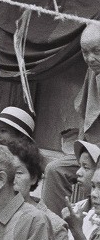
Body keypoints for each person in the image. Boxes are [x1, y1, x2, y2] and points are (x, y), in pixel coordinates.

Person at [43, 25, 100, 214]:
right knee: (55, 169)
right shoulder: (92, 72)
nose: (90, 58)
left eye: (97, 51)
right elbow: (85, 114)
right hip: (91, 150)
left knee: (91, 175)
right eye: (85, 52)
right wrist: (82, 152)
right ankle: (56, 225)